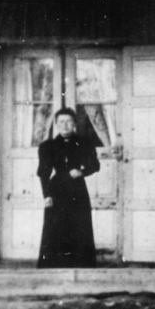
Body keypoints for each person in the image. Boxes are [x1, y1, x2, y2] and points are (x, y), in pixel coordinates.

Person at [37, 108, 99, 268]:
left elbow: (95, 165)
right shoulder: (47, 146)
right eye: (61, 122)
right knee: (55, 227)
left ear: (74, 124)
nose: (65, 125)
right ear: (56, 124)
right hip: (56, 190)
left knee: (80, 226)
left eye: (69, 121)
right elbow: (44, 173)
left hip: (77, 189)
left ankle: (81, 266)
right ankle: (54, 266)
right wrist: (47, 195)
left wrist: (81, 172)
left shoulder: (84, 142)